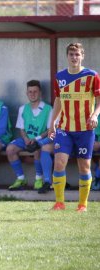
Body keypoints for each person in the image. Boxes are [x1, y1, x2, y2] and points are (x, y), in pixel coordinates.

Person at [49, 43, 100, 212]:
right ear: (67, 56)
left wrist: (94, 115)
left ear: (82, 56)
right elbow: (58, 101)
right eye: (71, 54)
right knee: (59, 162)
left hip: (85, 130)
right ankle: (59, 203)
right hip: (64, 129)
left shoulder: (92, 76)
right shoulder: (59, 77)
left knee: (84, 166)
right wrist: (52, 123)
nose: (74, 57)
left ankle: (82, 205)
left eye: (77, 54)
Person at [6, 80, 53, 193]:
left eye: (35, 91)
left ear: (40, 92)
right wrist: (26, 138)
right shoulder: (23, 108)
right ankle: (21, 178)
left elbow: (49, 130)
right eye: (30, 92)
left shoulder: (48, 109)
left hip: (41, 140)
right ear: (27, 93)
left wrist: (36, 139)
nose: (32, 94)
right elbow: (21, 128)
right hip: (26, 139)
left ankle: (38, 179)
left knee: (37, 149)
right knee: (10, 149)